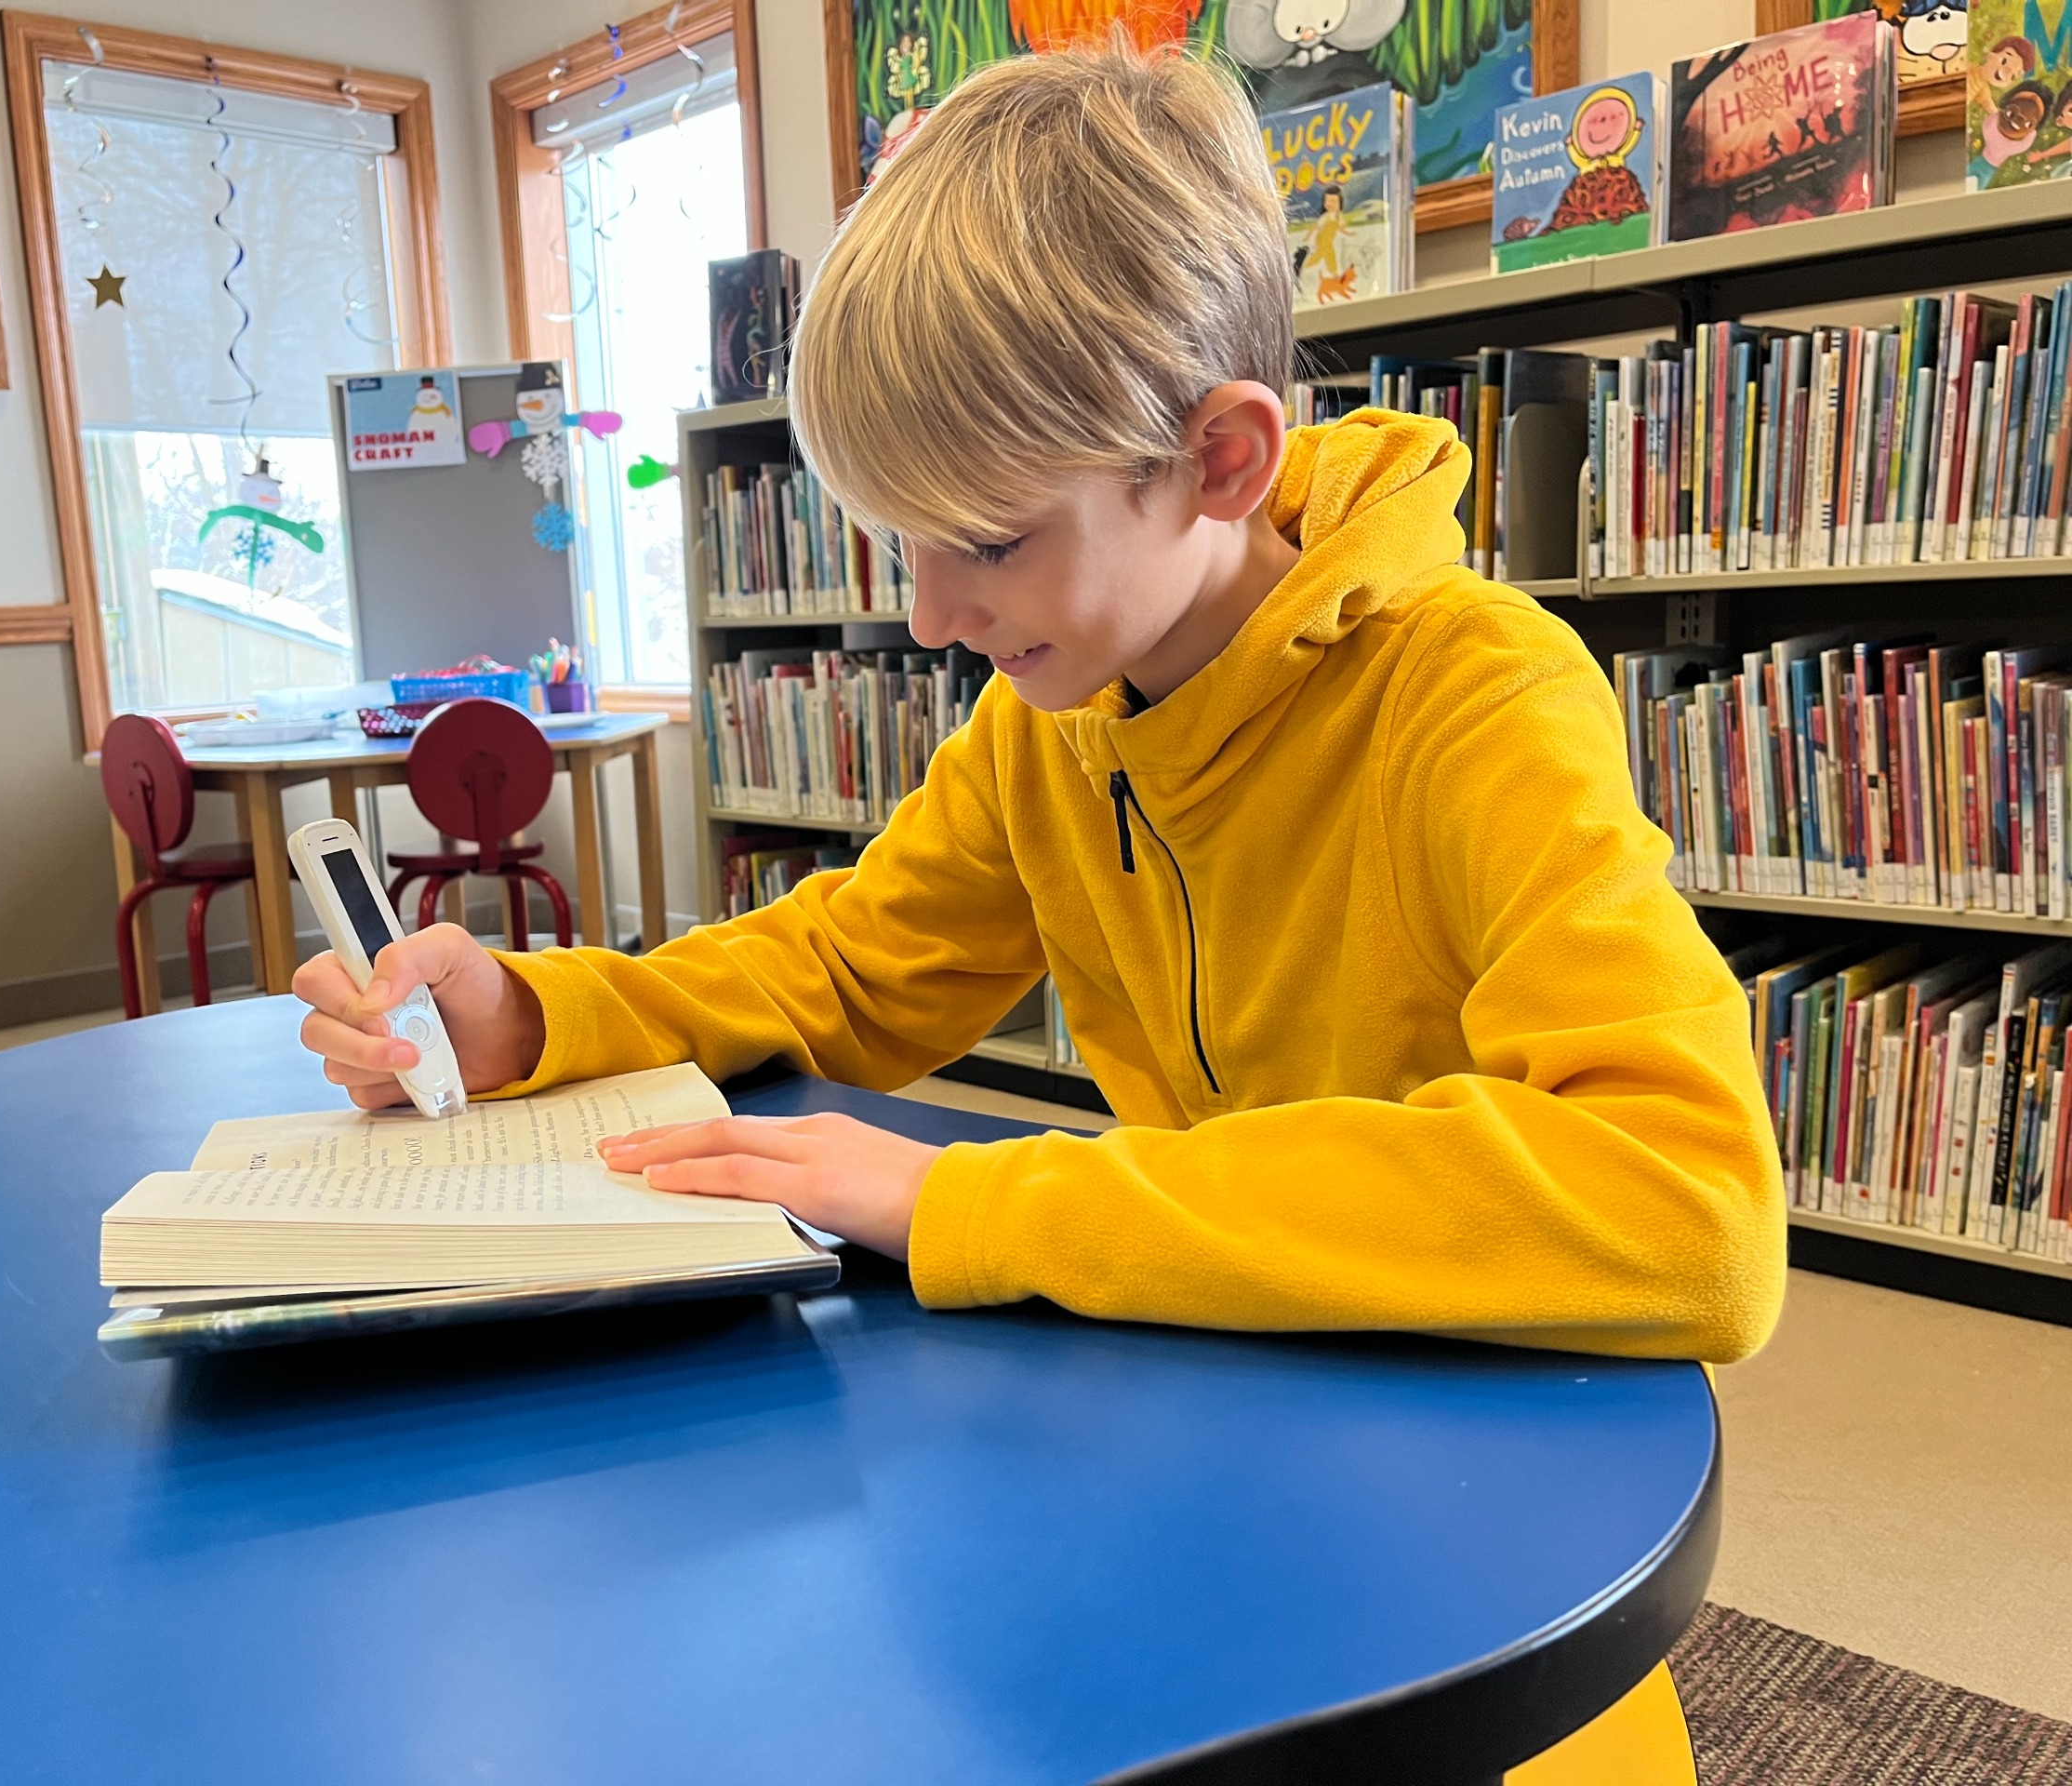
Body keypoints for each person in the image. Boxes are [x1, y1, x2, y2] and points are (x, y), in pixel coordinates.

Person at [295, 40, 1781, 1779]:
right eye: (900, 545)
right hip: (1211, 1466)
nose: (929, 617)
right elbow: (851, 969)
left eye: (987, 542)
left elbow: (1689, 1209)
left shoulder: (1475, 695)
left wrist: (981, 1204)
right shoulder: (1053, 722)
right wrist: (537, 1014)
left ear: (1221, 458)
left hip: (1475, 1620)